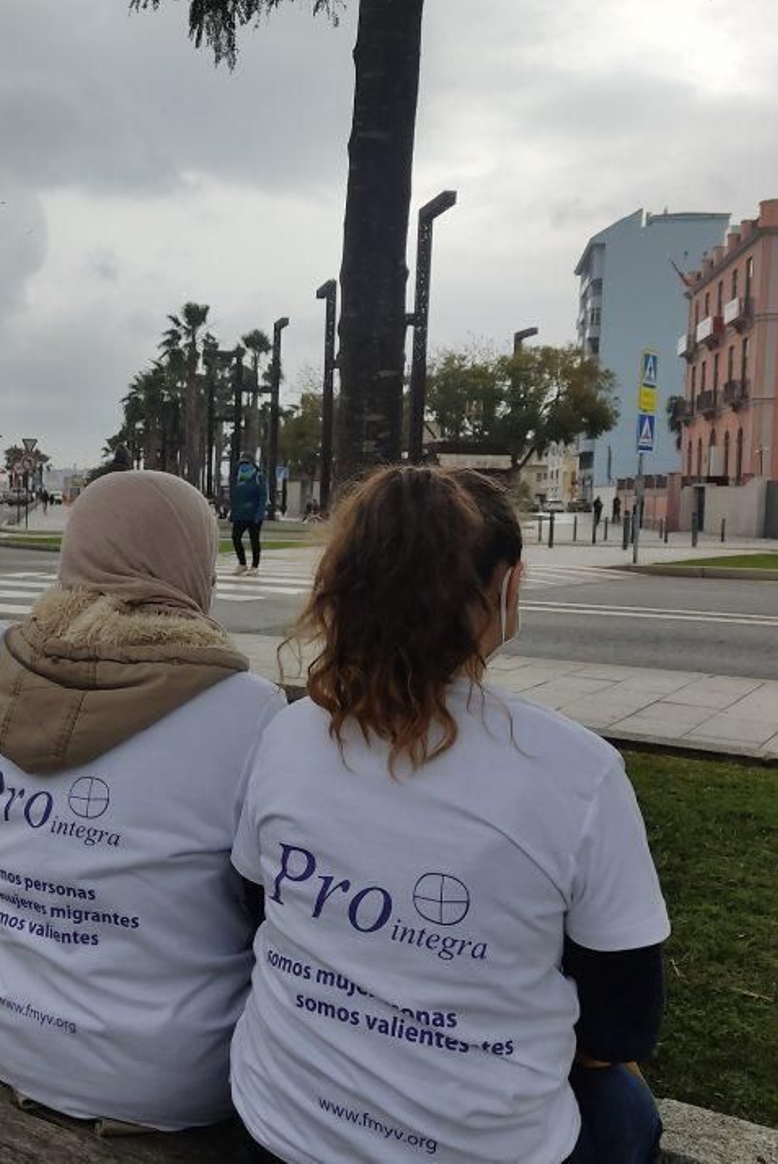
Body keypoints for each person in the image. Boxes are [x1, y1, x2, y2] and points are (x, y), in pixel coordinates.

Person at [231, 466, 669, 1164]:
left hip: (279, 1125)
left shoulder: (288, 735)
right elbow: (623, 1024)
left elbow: (257, 908)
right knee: (625, 1110)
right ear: (504, 588)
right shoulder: (575, 773)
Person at [0, 470, 285, 1131]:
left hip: (14, 1036)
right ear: (192, 557)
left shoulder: (6, 681)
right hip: (178, 1072)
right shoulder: (246, 710)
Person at [230, 457, 267, 576]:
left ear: (252, 464)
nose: (243, 466)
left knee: (254, 540)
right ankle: (242, 563)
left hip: (254, 515)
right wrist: (233, 513)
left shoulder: (258, 476)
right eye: (241, 463)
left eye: (246, 463)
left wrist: (260, 513)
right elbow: (235, 497)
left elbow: (263, 496)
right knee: (235, 537)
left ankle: (255, 566)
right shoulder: (238, 477)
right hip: (240, 515)